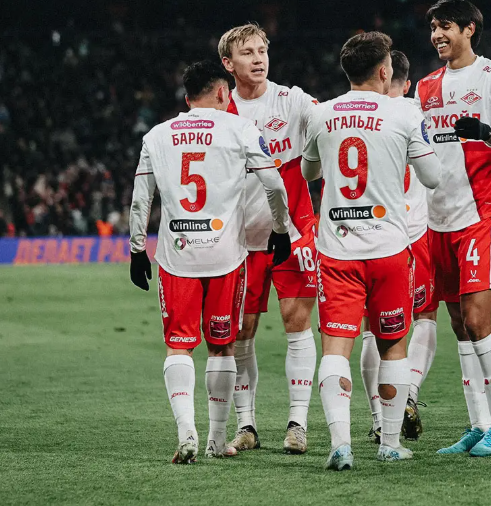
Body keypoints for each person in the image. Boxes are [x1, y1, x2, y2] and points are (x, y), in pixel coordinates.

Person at [128, 61, 292, 463]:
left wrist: (136, 248)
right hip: (226, 255)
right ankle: (217, 440)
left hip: (177, 255)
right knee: (222, 347)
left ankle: (186, 431)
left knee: (178, 345)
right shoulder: (240, 129)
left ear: (187, 98)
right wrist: (281, 228)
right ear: (223, 92)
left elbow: (140, 198)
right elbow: (273, 182)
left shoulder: (157, 135)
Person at [301, 32, 442, 470]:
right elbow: (433, 176)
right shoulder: (404, 114)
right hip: (389, 249)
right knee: (393, 346)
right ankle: (390, 443)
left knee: (335, 348)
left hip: (337, 251)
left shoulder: (321, 114)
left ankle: (340, 445)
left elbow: (308, 171)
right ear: (384, 71)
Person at [414, 0, 491, 457]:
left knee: (479, 320)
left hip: (480, 215)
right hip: (436, 219)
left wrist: (486, 133)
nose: (437, 35)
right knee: (460, 325)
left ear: (469, 29)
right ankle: (479, 425)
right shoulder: (424, 87)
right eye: (433, 28)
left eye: (445, 26)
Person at [218, 23, 320, 454]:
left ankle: (298, 423)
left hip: (293, 234)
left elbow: (328, 122)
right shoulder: (221, 111)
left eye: (262, 50)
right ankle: (247, 425)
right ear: (228, 64)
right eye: (247, 53)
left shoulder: (291, 100)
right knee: (242, 331)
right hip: (241, 241)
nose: (258, 58)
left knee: (297, 323)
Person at [359, 50, 437, 443]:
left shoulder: (353, 115)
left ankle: (378, 418)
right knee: (425, 317)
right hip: (413, 232)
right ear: (406, 83)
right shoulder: (415, 114)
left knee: (372, 329)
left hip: (366, 234)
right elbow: (435, 173)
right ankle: (409, 393)